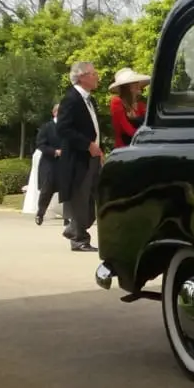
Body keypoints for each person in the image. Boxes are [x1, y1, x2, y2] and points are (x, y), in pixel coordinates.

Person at [57, 60, 104, 253]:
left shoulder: (90, 100)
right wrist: (87, 144)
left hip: (93, 156)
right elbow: (63, 128)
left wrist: (99, 149)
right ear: (82, 77)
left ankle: (73, 228)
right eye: (93, 73)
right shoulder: (71, 99)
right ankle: (79, 239)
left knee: (95, 197)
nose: (96, 77)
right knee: (80, 198)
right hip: (79, 159)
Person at [31, 103, 61, 225]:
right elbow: (40, 144)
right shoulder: (47, 127)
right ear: (55, 113)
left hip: (65, 162)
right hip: (50, 163)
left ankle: (68, 217)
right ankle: (40, 213)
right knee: (47, 190)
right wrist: (54, 152)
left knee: (69, 189)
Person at [108, 67, 150, 147]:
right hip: (124, 148)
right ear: (126, 87)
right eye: (134, 83)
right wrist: (148, 136)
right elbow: (128, 130)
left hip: (140, 145)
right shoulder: (116, 102)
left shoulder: (141, 105)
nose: (138, 84)